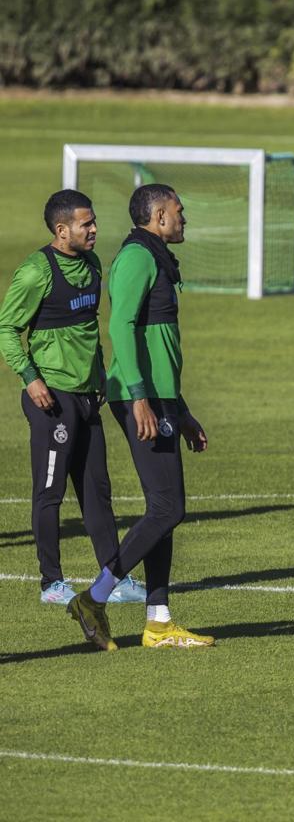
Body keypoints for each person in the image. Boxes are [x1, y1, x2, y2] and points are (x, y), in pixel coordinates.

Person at [67, 184, 212, 651]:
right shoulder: (136, 257)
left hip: (159, 397)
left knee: (164, 511)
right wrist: (139, 398)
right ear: (158, 216)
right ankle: (94, 596)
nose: (184, 217)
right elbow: (120, 326)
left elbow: (160, 346)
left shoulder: (158, 256)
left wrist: (181, 409)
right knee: (168, 507)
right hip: (140, 398)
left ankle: (158, 622)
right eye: (178, 210)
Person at [0, 190, 143, 606]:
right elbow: (6, 329)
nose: (95, 228)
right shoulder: (35, 273)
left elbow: (87, 330)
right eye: (86, 223)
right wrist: (31, 378)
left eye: (94, 220)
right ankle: (51, 583)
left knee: (97, 490)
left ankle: (112, 578)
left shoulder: (93, 265)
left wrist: (99, 375)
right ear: (62, 231)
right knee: (50, 491)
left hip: (86, 396)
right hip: (51, 398)